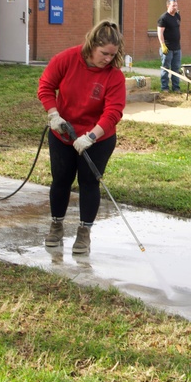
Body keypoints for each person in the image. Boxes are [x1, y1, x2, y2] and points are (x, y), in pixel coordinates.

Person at [38, 20, 127, 255]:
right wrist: (54, 114)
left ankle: (84, 233)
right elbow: (46, 86)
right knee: (61, 180)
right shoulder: (66, 59)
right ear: (92, 45)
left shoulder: (114, 76)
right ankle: (56, 226)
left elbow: (113, 111)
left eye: (112, 55)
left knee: (89, 182)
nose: (108, 59)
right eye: (104, 53)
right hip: (63, 131)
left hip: (97, 137)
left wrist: (91, 136)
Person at [156, 0, 182, 93]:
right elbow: (160, 33)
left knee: (176, 68)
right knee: (165, 68)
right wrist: (163, 45)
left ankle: (176, 87)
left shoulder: (177, 16)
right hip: (167, 48)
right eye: (173, 6)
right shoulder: (163, 18)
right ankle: (165, 87)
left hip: (177, 48)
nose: (175, 7)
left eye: (176, 5)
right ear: (168, 6)